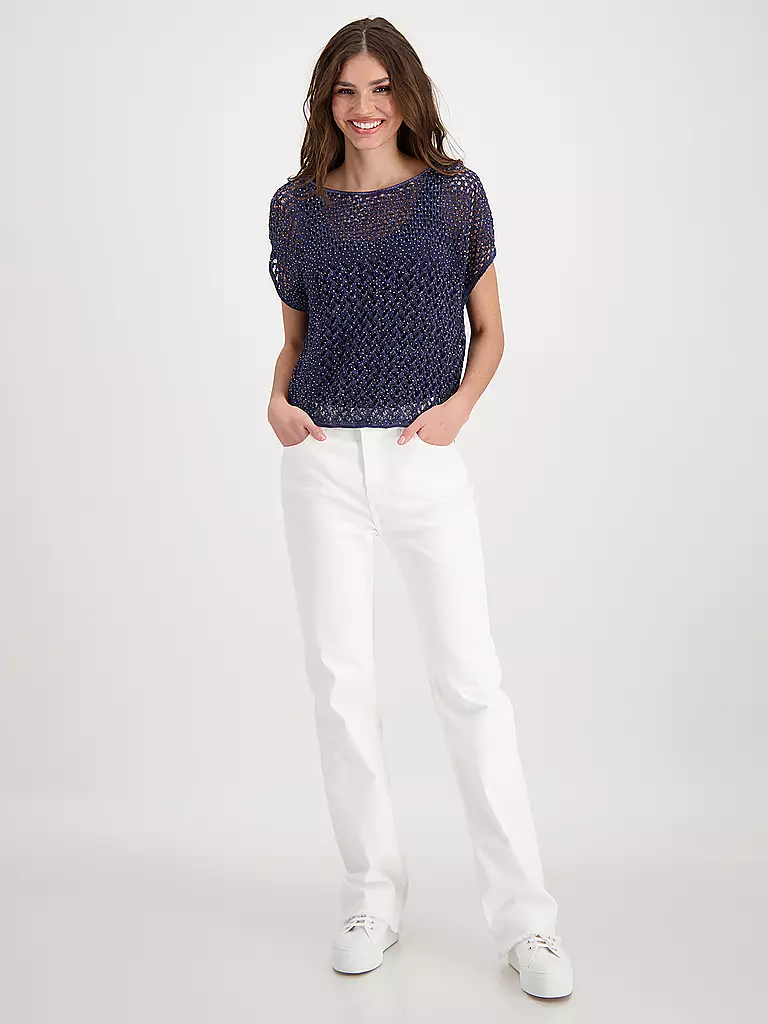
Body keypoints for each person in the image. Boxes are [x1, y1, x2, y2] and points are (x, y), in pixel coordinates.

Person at [266, 16, 574, 1000]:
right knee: (340, 684)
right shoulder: (296, 209)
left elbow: (490, 331)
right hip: (321, 461)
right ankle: (371, 894)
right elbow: (295, 339)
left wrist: (458, 410)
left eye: (380, 88)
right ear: (326, 101)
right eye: (346, 91)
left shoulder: (454, 197)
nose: (364, 108)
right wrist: (275, 399)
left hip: (420, 458)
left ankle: (526, 921)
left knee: (471, 685)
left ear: (407, 94)